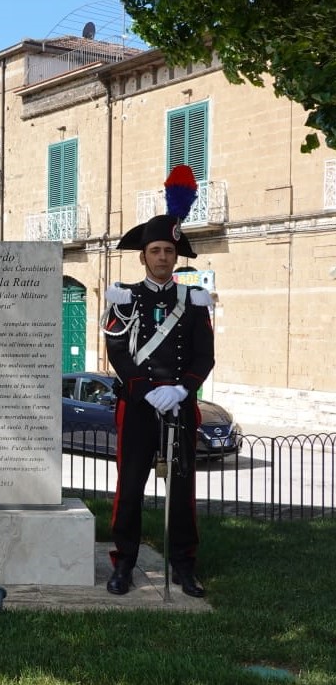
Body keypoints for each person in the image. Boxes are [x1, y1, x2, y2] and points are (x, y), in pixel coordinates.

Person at [101, 165, 214, 598]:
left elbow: (205, 354)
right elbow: (116, 351)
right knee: (129, 488)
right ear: (143, 256)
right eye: (156, 251)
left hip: (181, 405)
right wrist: (146, 388)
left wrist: (183, 388)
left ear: (176, 255)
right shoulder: (125, 297)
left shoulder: (194, 300)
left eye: (169, 250)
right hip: (139, 405)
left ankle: (184, 566)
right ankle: (123, 563)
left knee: (183, 489)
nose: (163, 257)